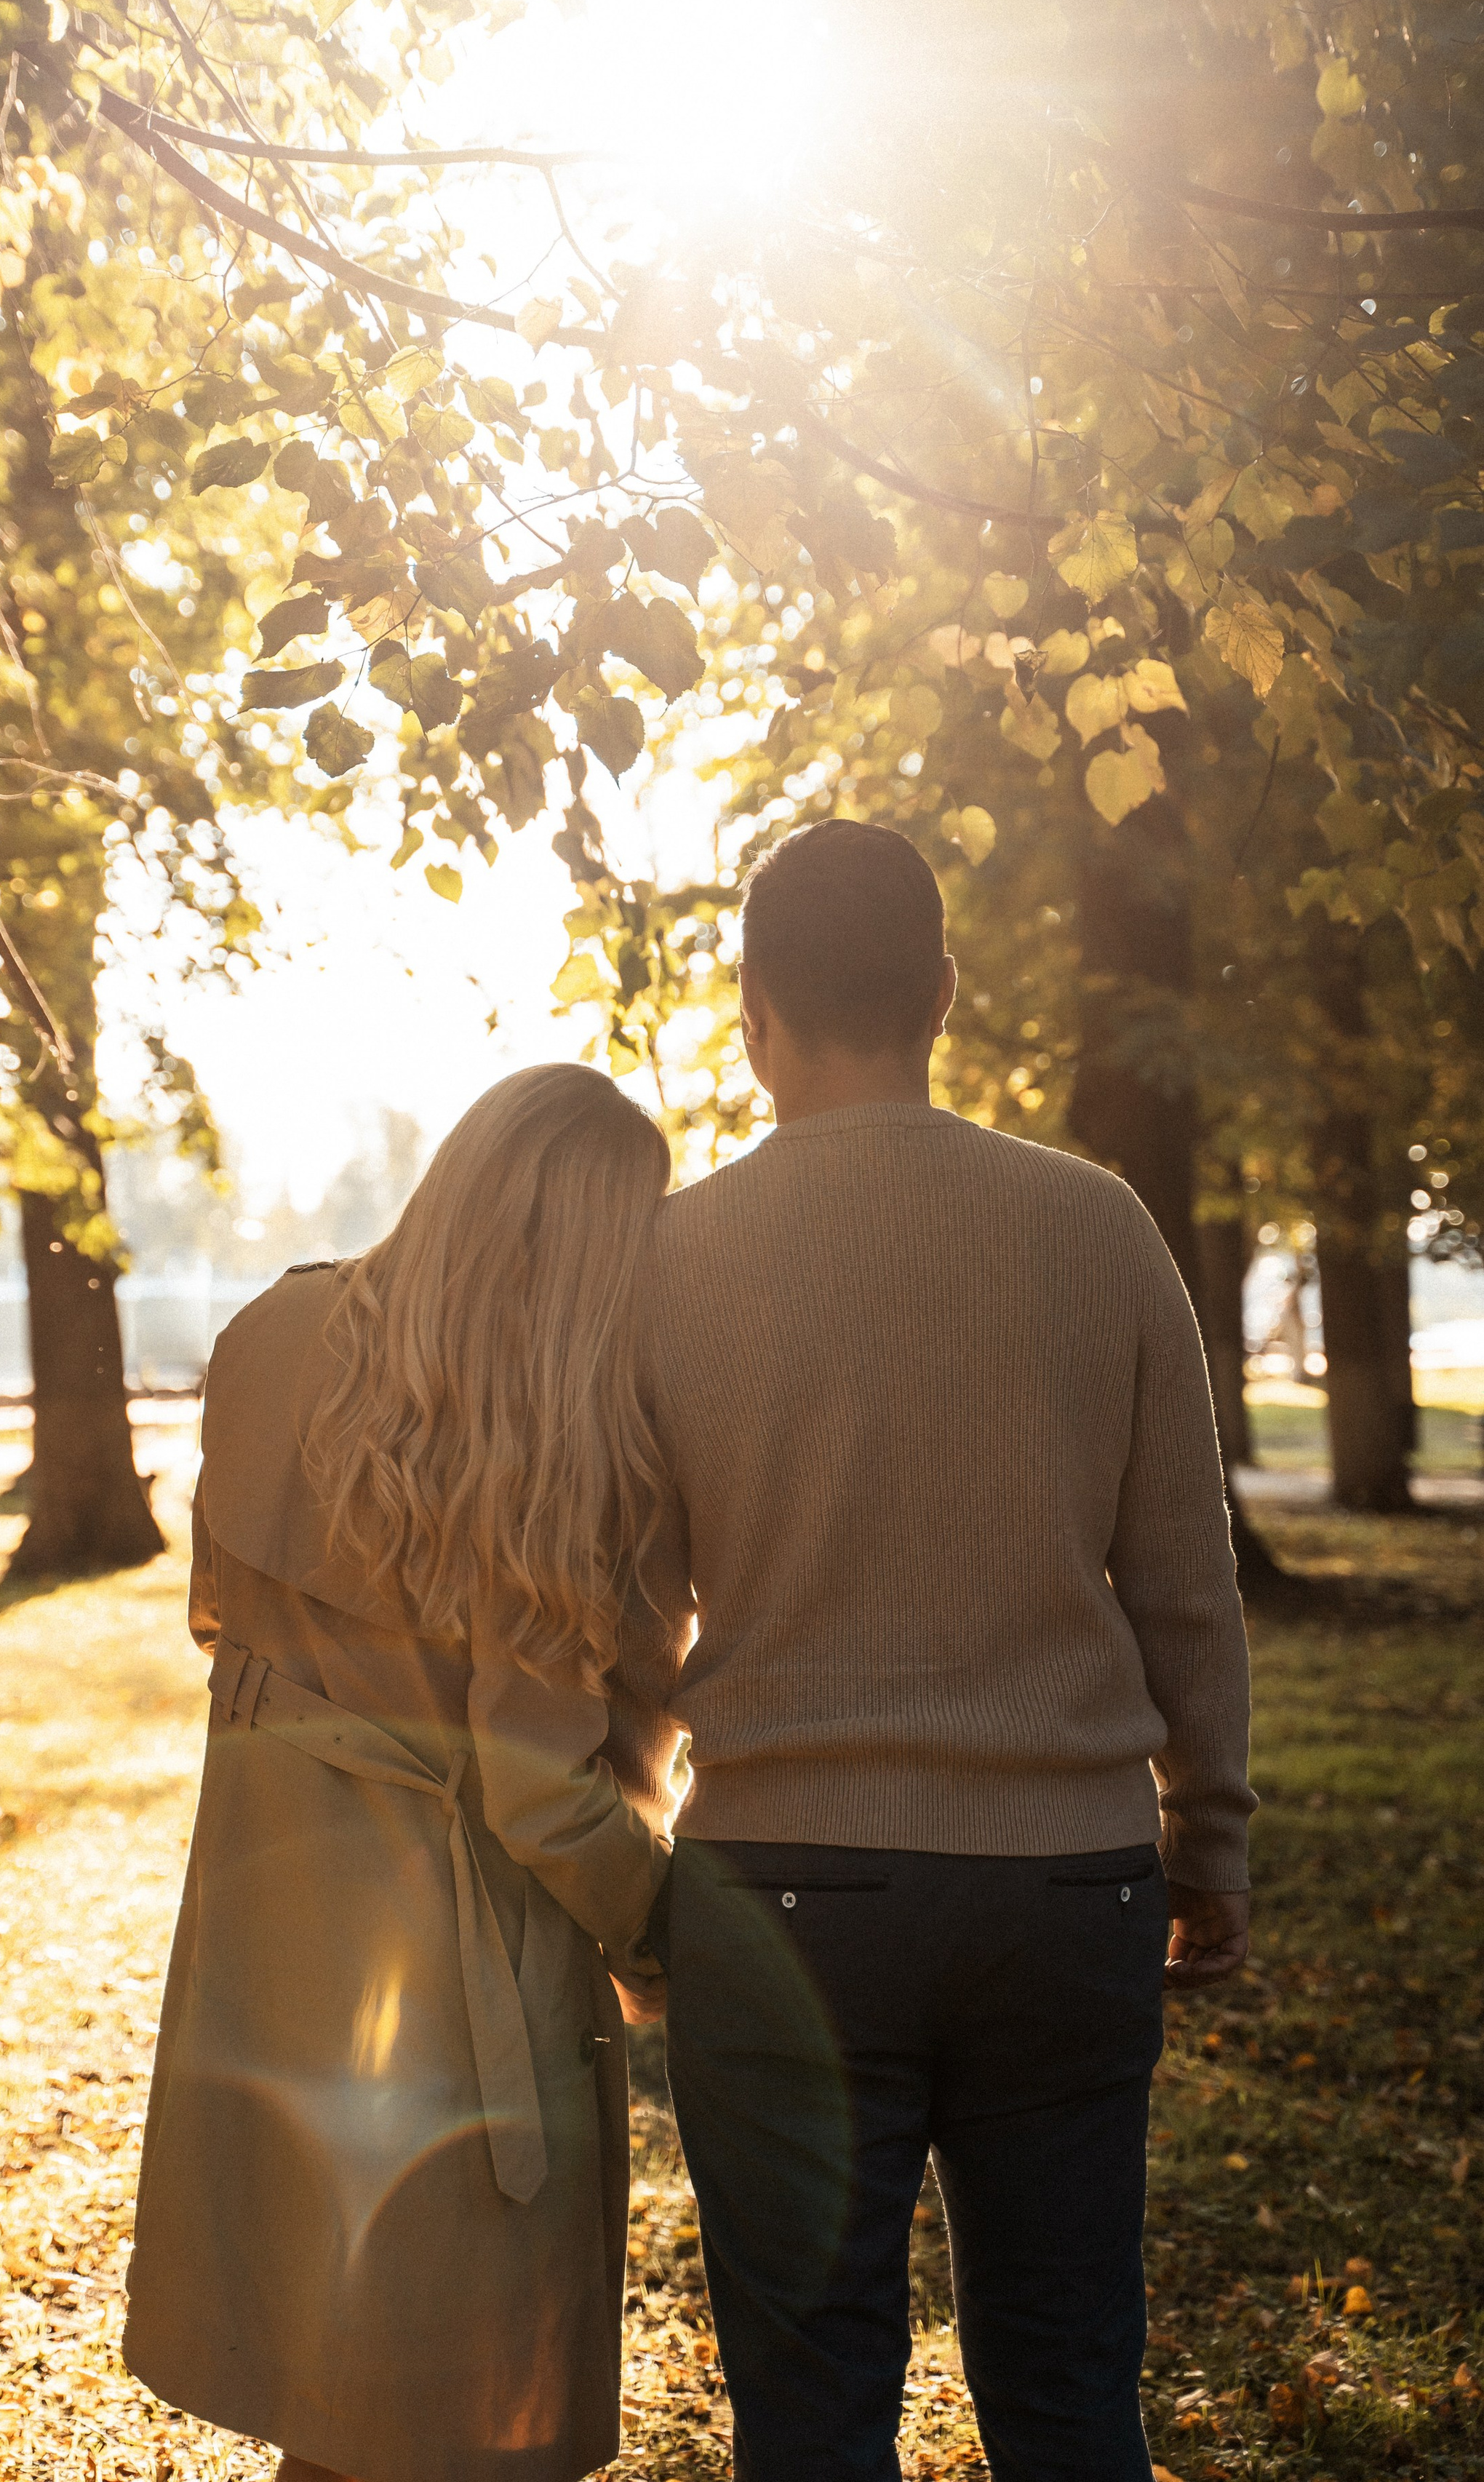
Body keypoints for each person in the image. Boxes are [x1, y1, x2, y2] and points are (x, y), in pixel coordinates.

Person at [639, 819, 1256, 2482]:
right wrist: (1207, 1844)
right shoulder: (1098, 1225)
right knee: (1066, 2388)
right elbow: (1186, 1587)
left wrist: (622, 1879)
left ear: (750, 1008)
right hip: (1067, 1887)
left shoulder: (667, 1257)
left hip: (777, 1898)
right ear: (941, 992)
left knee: (813, 2396)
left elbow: (618, 1610)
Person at [122, 1063, 684, 2482]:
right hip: (450, 1966)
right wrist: (669, 1930)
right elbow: (540, 1789)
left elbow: (221, 1621)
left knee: (330, 2384)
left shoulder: (273, 1329)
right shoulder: (541, 1436)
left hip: (275, 1923)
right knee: (460, 2400)